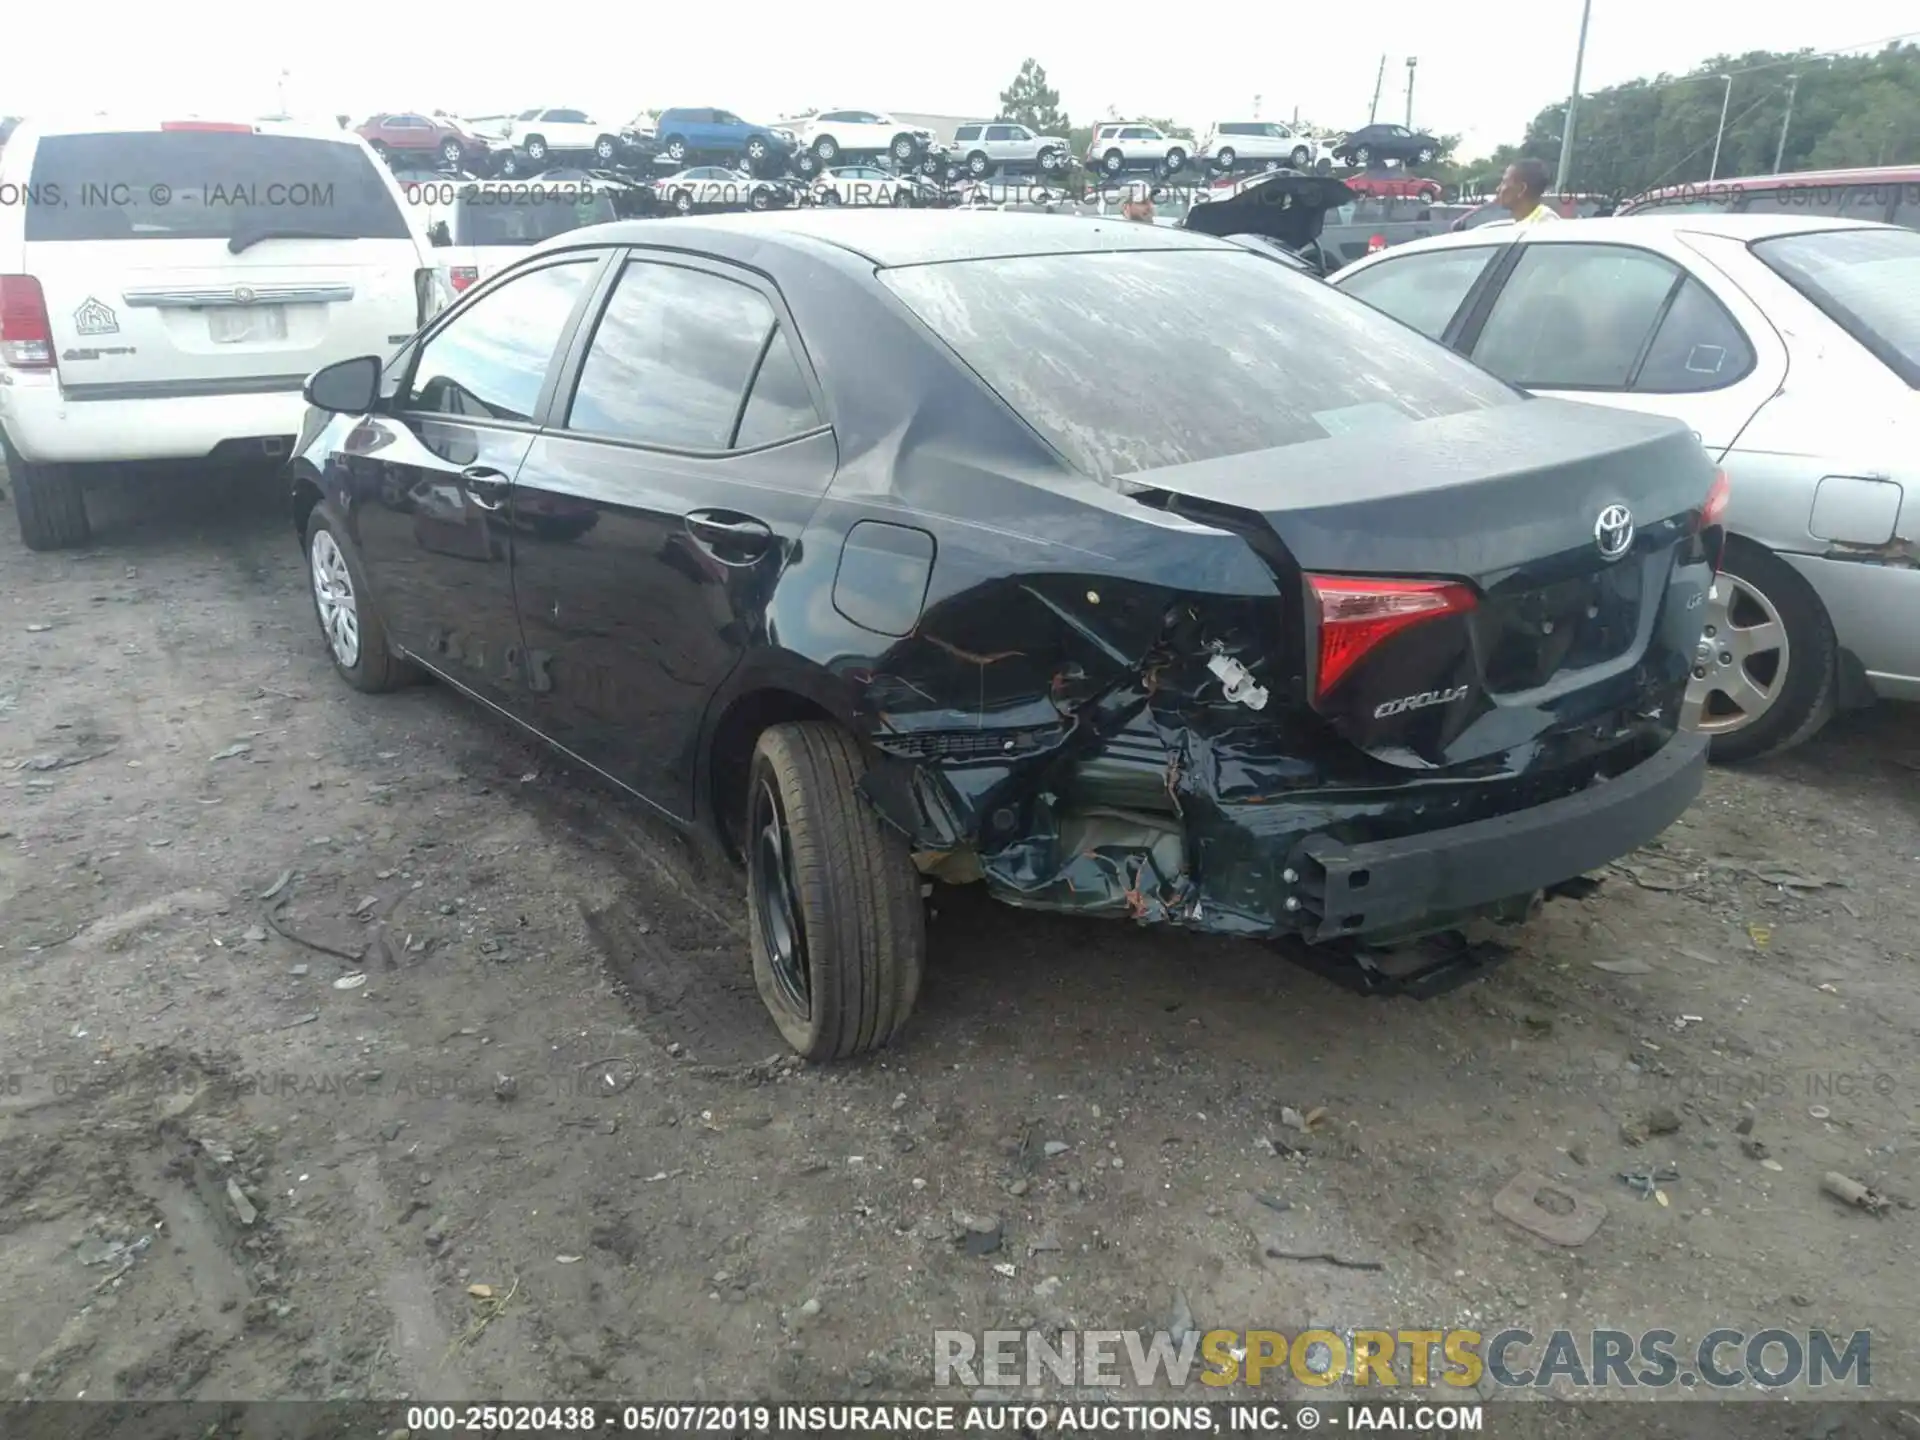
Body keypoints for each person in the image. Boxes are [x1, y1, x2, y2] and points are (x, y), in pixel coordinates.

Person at [1496, 158, 1560, 225]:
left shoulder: (1546, 225)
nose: (1498, 189)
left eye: (1504, 182)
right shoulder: (1526, 222)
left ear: (1521, 189)